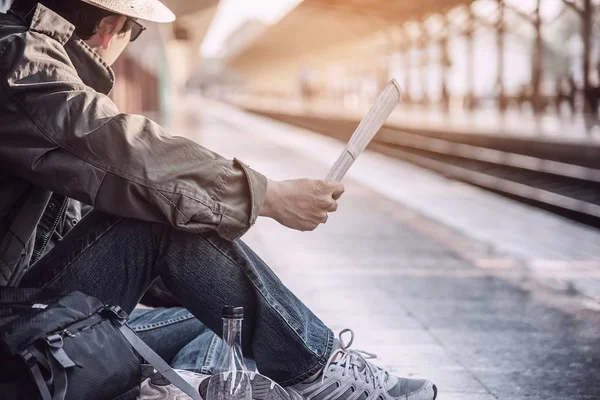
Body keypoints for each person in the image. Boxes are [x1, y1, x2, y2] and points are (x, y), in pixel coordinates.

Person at [0, 1, 438, 400]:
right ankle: (317, 373)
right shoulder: (19, 56)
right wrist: (267, 195)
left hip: (31, 313)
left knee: (230, 322)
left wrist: (218, 273)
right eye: (137, 32)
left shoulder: (29, 58)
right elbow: (124, 148)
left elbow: (76, 238)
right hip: (14, 332)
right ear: (112, 27)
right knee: (162, 218)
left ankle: (206, 388)